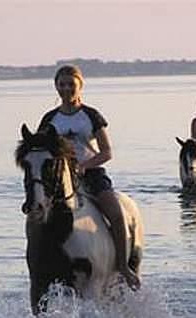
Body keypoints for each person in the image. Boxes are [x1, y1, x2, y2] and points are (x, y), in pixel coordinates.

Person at [37, 65, 140, 290]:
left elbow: (106, 152)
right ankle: (38, 265)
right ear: (56, 86)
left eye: (71, 84)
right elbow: (41, 151)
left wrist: (84, 165)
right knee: (36, 215)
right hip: (57, 179)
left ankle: (122, 265)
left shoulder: (91, 115)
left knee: (116, 212)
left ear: (79, 86)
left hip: (91, 174)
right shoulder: (49, 119)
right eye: (62, 84)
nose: (66, 89)